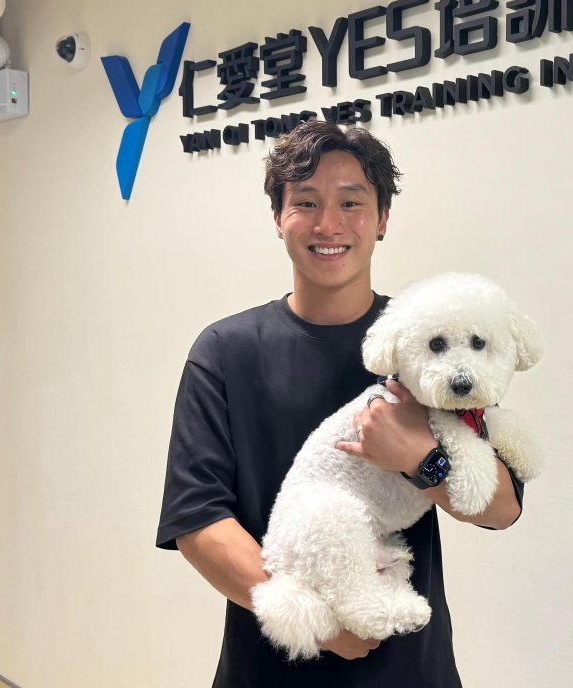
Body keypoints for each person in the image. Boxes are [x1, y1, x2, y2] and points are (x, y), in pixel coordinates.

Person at [156, 121, 526, 687]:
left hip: (410, 667)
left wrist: (418, 457)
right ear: (278, 217)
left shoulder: (429, 339)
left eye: (352, 202)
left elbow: (501, 509)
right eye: (306, 202)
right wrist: (321, 622)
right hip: (269, 668)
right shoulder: (225, 351)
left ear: (382, 219)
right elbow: (198, 520)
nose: (328, 224)